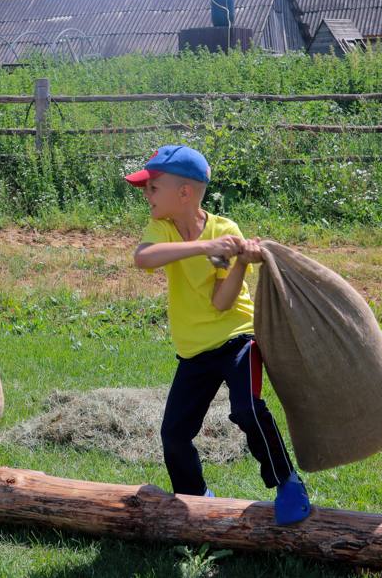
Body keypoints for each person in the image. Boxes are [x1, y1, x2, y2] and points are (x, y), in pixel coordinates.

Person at [125, 144, 311, 525]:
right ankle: (195, 497)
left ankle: (287, 482)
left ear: (185, 193)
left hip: (237, 338)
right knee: (174, 435)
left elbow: (223, 302)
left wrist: (240, 261)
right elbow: (143, 258)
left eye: (153, 188)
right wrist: (205, 247)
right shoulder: (161, 228)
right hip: (194, 350)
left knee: (246, 409)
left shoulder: (225, 230)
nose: (146, 194)